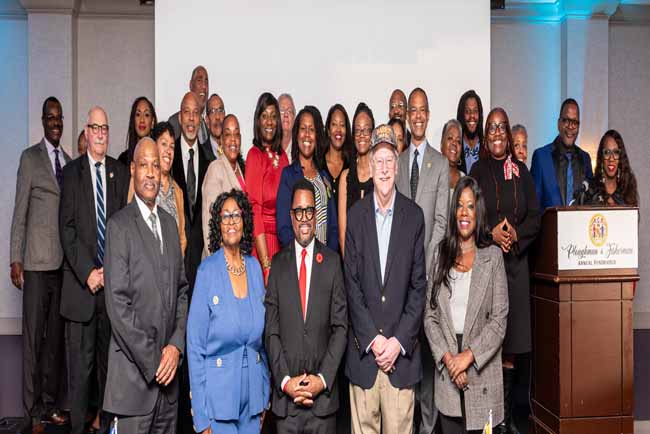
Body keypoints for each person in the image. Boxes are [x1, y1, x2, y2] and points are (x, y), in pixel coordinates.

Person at [344, 125, 427, 434]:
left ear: (397, 165)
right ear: (370, 165)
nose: (383, 169)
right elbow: (351, 285)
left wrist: (397, 343)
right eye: (377, 160)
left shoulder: (414, 217)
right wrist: (374, 340)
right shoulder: (355, 216)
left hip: (399, 362)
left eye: (389, 161)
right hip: (365, 359)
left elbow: (419, 287)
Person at [103, 137, 189, 434]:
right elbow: (118, 307)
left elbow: (181, 291)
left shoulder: (168, 223)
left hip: (169, 393)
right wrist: (157, 362)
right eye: (144, 165)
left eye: (156, 165)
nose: (151, 172)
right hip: (134, 387)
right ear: (132, 170)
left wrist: (176, 347)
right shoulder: (119, 226)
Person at [469, 108, 540, 434]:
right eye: (492, 128)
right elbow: (470, 216)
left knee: (511, 349)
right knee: (490, 346)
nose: (497, 133)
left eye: (502, 127)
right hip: (487, 269)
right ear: (486, 136)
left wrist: (515, 235)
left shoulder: (521, 171)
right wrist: (492, 234)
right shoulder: (478, 170)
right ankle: (490, 418)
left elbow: (534, 218)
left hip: (515, 268)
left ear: (509, 134)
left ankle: (508, 418)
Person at [59, 106, 129, 434]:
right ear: (86, 133)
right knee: (79, 375)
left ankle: (104, 428)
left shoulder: (120, 172)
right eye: (94, 127)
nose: (100, 133)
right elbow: (67, 229)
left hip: (111, 291)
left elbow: (123, 228)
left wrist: (110, 272)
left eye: (104, 128)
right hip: (81, 290)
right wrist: (88, 272)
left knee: (108, 369)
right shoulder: (71, 173)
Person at [424, 176, 509, 434]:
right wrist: (451, 361)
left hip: (482, 375)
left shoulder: (492, 257)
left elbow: (499, 319)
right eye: (459, 205)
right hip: (449, 379)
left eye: (470, 206)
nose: (464, 212)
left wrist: (467, 358)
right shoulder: (440, 254)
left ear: (478, 211)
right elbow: (430, 316)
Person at [265, 179, 348, 434]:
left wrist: (321, 380)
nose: (304, 218)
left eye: (309, 210)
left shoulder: (333, 263)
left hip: (322, 405)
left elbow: (341, 327)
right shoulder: (277, 265)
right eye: (298, 211)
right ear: (291, 216)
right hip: (287, 406)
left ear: (316, 214)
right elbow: (271, 329)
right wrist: (286, 381)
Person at [11, 96, 71, 434]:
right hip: (34, 263)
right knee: (33, 341)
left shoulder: (68, 160)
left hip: (61, 267)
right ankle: (30, 412)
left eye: (59, 117)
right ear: (42, 120)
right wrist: (15, 258)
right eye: (50, 117)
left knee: (54, 343)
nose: (56, 122)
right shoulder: (30, 158)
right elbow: (20, 212)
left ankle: (48, 406)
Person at [187, 189, 270, 434]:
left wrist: (264, 394)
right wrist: (201, 417)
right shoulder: (207, 272)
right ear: (218, 225)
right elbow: (195, 347)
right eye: (225, 216)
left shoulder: (255, 269)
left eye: (236, 215)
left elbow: (263, 343)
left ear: (245, 222)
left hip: (253, 404)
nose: (231, 221)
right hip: (218, 405)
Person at [395, 87, 449, 434]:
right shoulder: (395, 162)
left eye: (422, 110)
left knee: (428, 359)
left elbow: (441, 222)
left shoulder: (441, 163)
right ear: (406, 116)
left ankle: (428, 426)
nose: (416, 115)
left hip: (428, 276)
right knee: (405, 352)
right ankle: (406, 423)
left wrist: (424, 266)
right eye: (411, 110)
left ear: (428, 115)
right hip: (399, 277)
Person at [276, 106, 339, 252]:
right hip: (298, 261)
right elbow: (283, 227)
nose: (307, 134)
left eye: (311, 129)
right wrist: (302, 255)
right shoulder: (288, 175)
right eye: (303, 128)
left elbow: (333, 226)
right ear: (296, 134)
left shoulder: (324, 176)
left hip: (324, 262)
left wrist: (328, 258)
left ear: (317, 137)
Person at [245, 92, 289, 281]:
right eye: (264, 116)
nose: (269, 122)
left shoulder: (284, 157)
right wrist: (265, 264)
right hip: (263, 245)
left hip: (284, 246)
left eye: (273, 116)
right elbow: (254, 209)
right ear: (258, 121)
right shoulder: (254, 156)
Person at [127, 121, 187, 256]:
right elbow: (130, 223)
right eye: (164, 144)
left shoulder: (178, 191)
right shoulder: (139, 181)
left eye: (172, 146)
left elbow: (182, 238)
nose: (169, 151)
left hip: (171, 271)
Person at [172, 91, 210, 288]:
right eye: (186, 112)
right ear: (179, 117)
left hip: (201, 265)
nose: (191, 118)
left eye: (196, 113)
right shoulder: (168, 160)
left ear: (201, 119)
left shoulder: (210, 160)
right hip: (173, 265)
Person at [531, 98, 593, 209]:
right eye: (566, 120)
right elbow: (533, 209)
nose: (570, 126)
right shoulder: (541, 157)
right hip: (550, 226)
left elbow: (590, 204)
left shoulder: (585, 159)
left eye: (575, 122)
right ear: (559, 123)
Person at [202, 114, 247, 258]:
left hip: (238, 256)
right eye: (228, 134)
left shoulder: (241, 170)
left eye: (236, 134)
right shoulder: (215, 169)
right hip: (221, 261)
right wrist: (219, 264)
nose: (233, 139)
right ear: (221, 140)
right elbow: (210, 226)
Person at [337, 102, 374, 253]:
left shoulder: (381, 175)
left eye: (366, 130)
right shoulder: (345, 177)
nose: (361, 135)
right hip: (350, 263)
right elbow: (342, 232)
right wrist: (350, 271)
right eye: (357, 130)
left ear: (373, 134)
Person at [576, 129, 639, 206]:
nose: (611, 158)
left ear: (620, 158)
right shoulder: (589, 192)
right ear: (601, 157)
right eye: (607, 152)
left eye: (616, 152)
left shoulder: (627, 193)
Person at [321, 103, 353, 207]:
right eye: (334, 124)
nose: (338, 129)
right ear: (329, 131)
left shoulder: (351, 166)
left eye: (342, 125)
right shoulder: (318, 164)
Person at [169, 66, 210, 143]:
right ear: (191, 85)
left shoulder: (210, 122)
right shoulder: (174, 122)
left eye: (206, 82)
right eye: (199, 80)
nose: (204, 86)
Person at [118, 96, 157, 166]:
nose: (142, 120)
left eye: (146, 115)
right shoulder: (123, 160)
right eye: (138, 114)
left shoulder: (159, 156)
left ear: (153, 122)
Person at [456, 90, 484, 174]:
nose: (472, 116)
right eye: (467, 111)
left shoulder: (487, 147)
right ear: (461, 115)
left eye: (475, 111)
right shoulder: (455, 148)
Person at [440, 119, 465, 203]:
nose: (454, 143)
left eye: (458, 141)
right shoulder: (432, 177)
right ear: (441, 144)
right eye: (450, 138)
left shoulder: (465, 181)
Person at [202, 93, 225, 161]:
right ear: (207, 120)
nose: (217, 117)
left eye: (220, 110)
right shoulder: (200, 153)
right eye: (212, 111)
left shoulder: (233, 149)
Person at [279, 93, 296, 163]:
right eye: (282, 111)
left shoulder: (300, 149)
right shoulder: (266, 149)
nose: (286, 115)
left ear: (294, 118)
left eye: (289, 111)